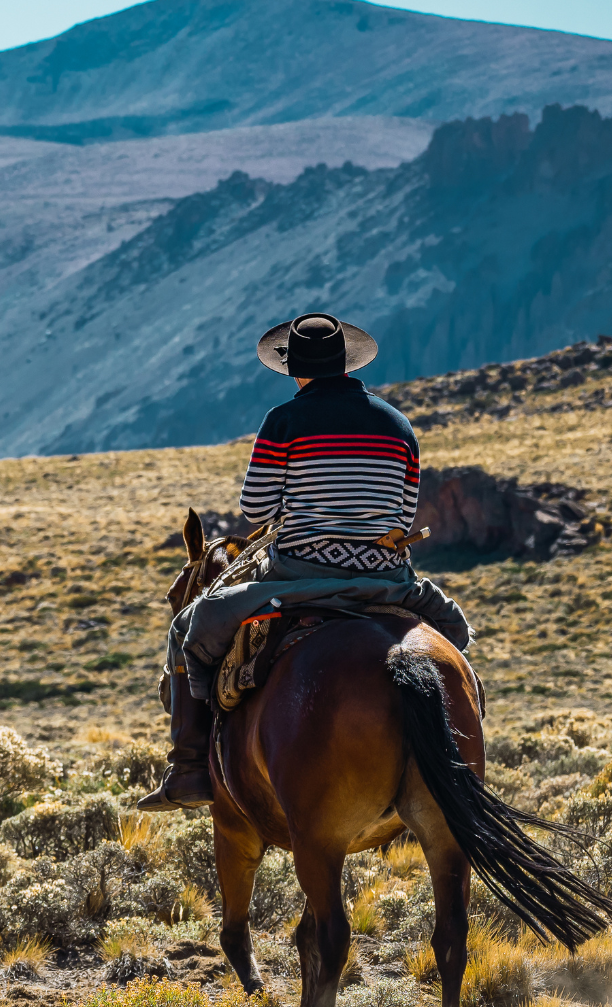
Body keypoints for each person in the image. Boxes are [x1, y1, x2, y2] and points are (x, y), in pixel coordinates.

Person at [140, 312, 473, 811]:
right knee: (455, 633)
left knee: (193, 623)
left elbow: (254, 511)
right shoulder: (398, 425)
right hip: (387, 579)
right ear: (345, 363)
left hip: (300, 574)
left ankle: (190, 765)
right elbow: (404, 512)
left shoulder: (284, 421)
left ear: (296, 370)